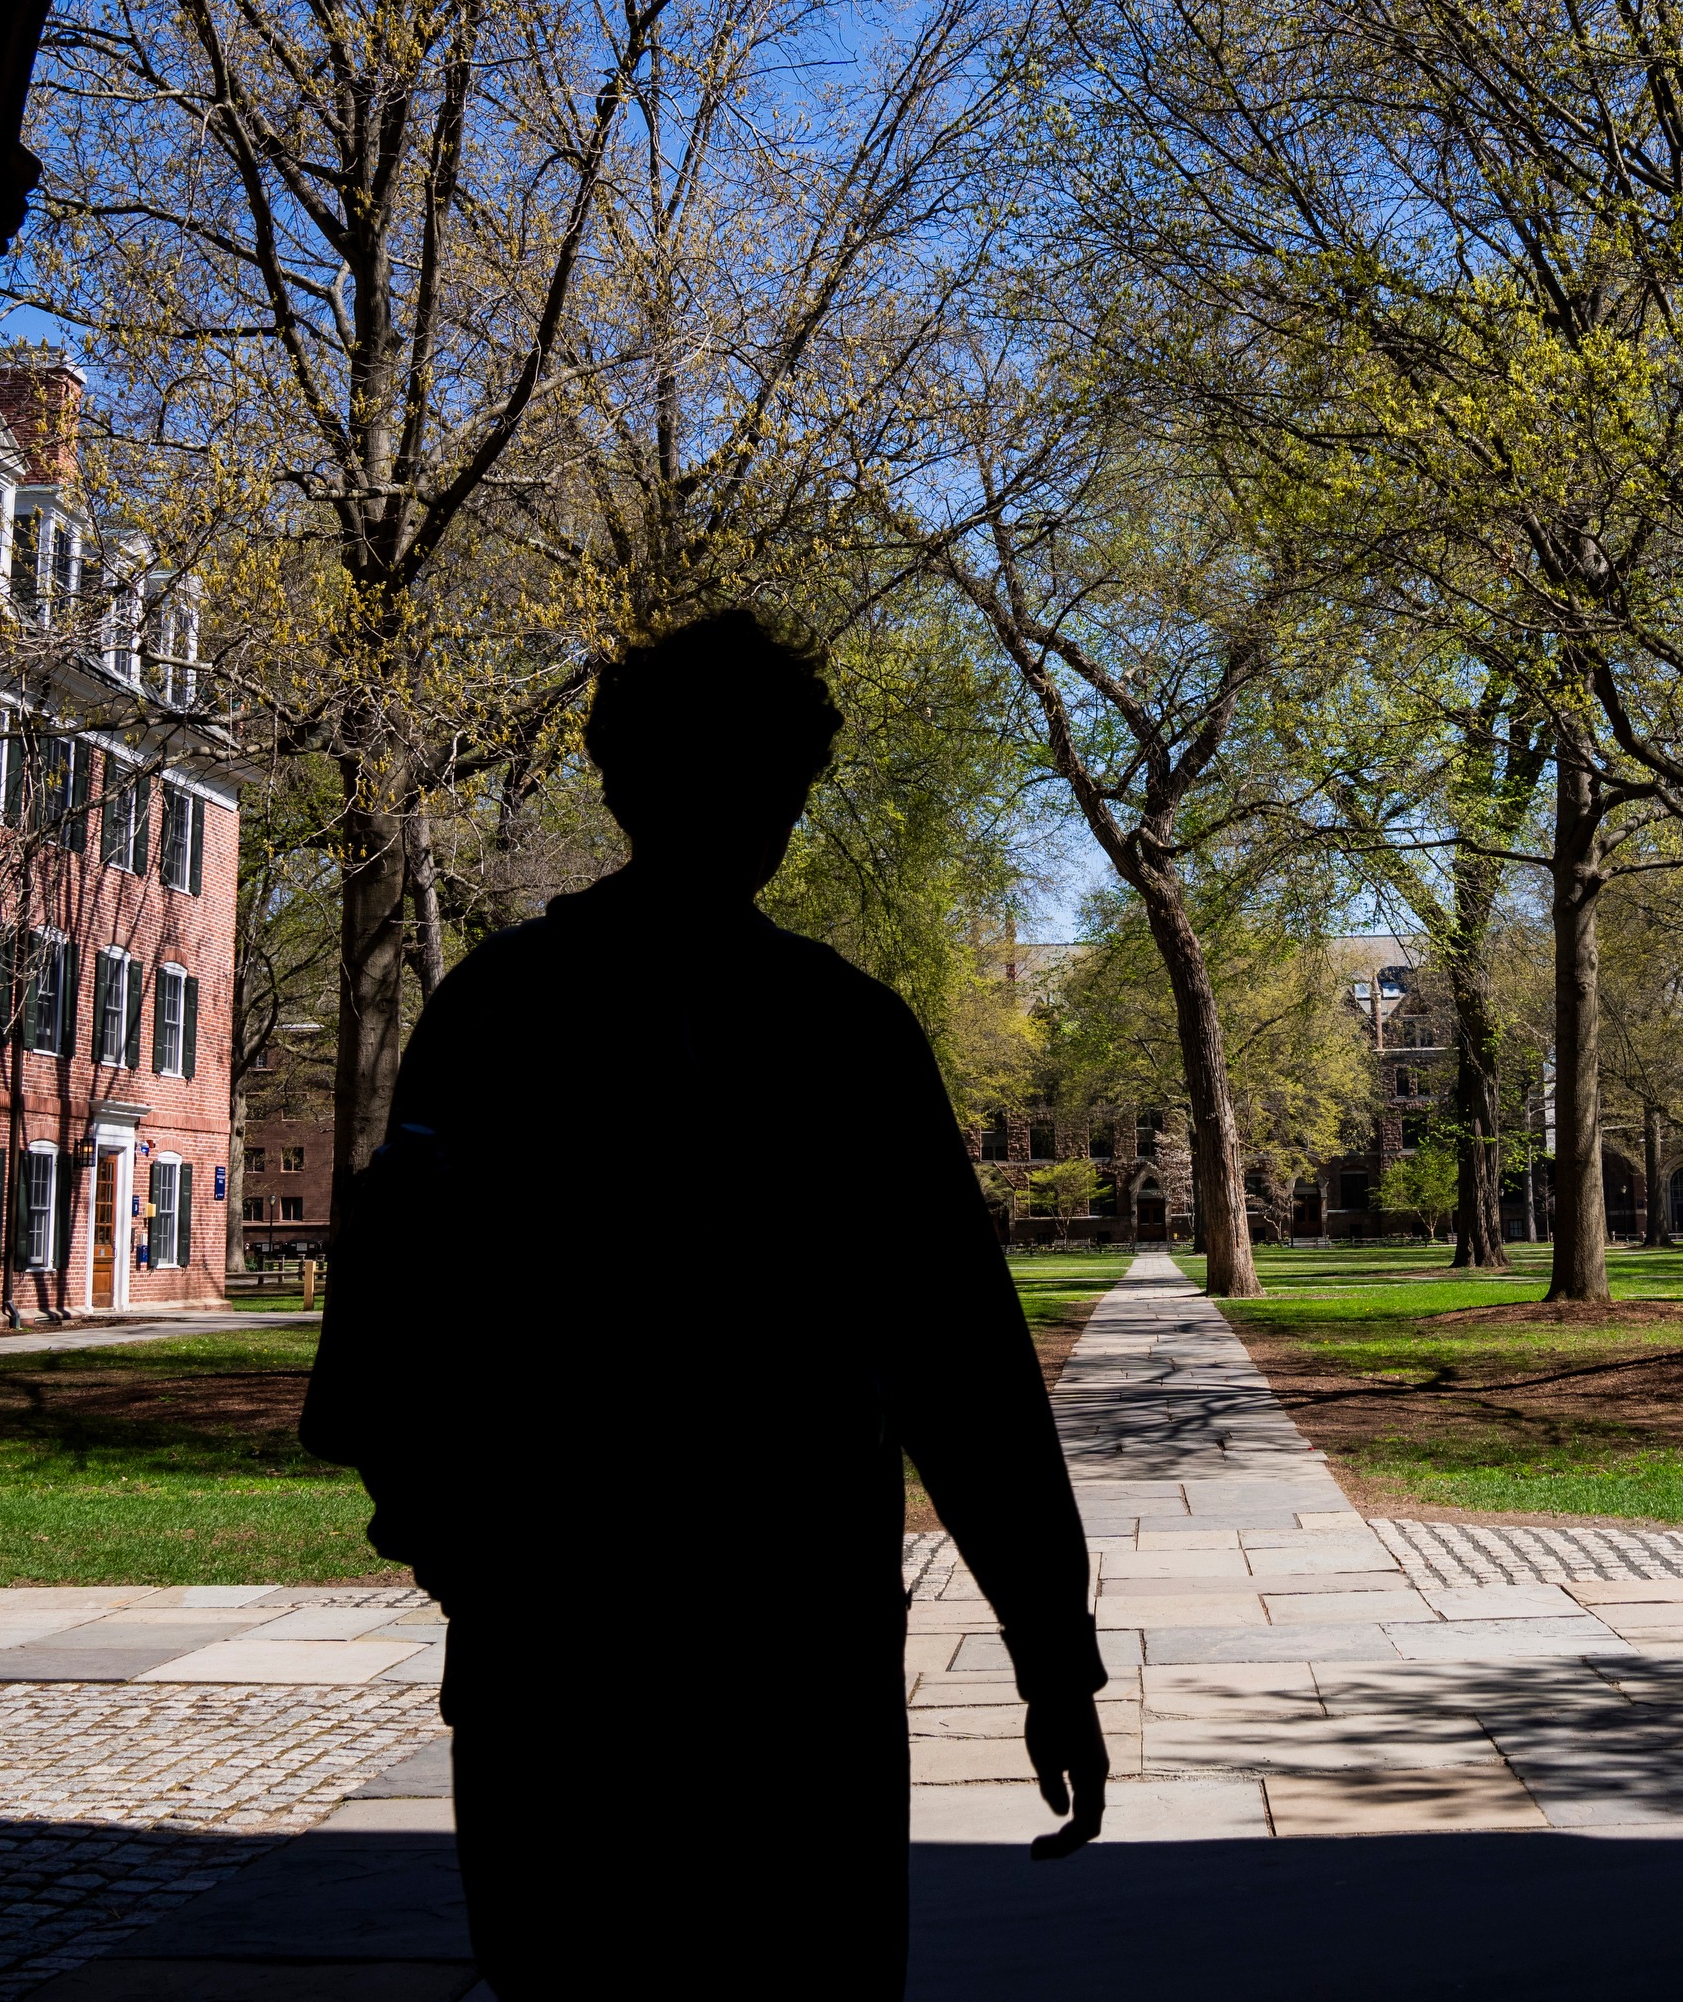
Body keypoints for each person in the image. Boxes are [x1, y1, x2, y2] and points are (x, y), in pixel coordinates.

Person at [302, 611, 1107, 1997]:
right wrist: (1050, 1647)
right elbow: (961, 1365)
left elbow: (383, 1335)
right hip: (783, 1668)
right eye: (769, 786)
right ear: (786, 799)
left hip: (562, 1663)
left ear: (615, 784)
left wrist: (461, 1550)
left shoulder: (495, 1013)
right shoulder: (846, 1034)